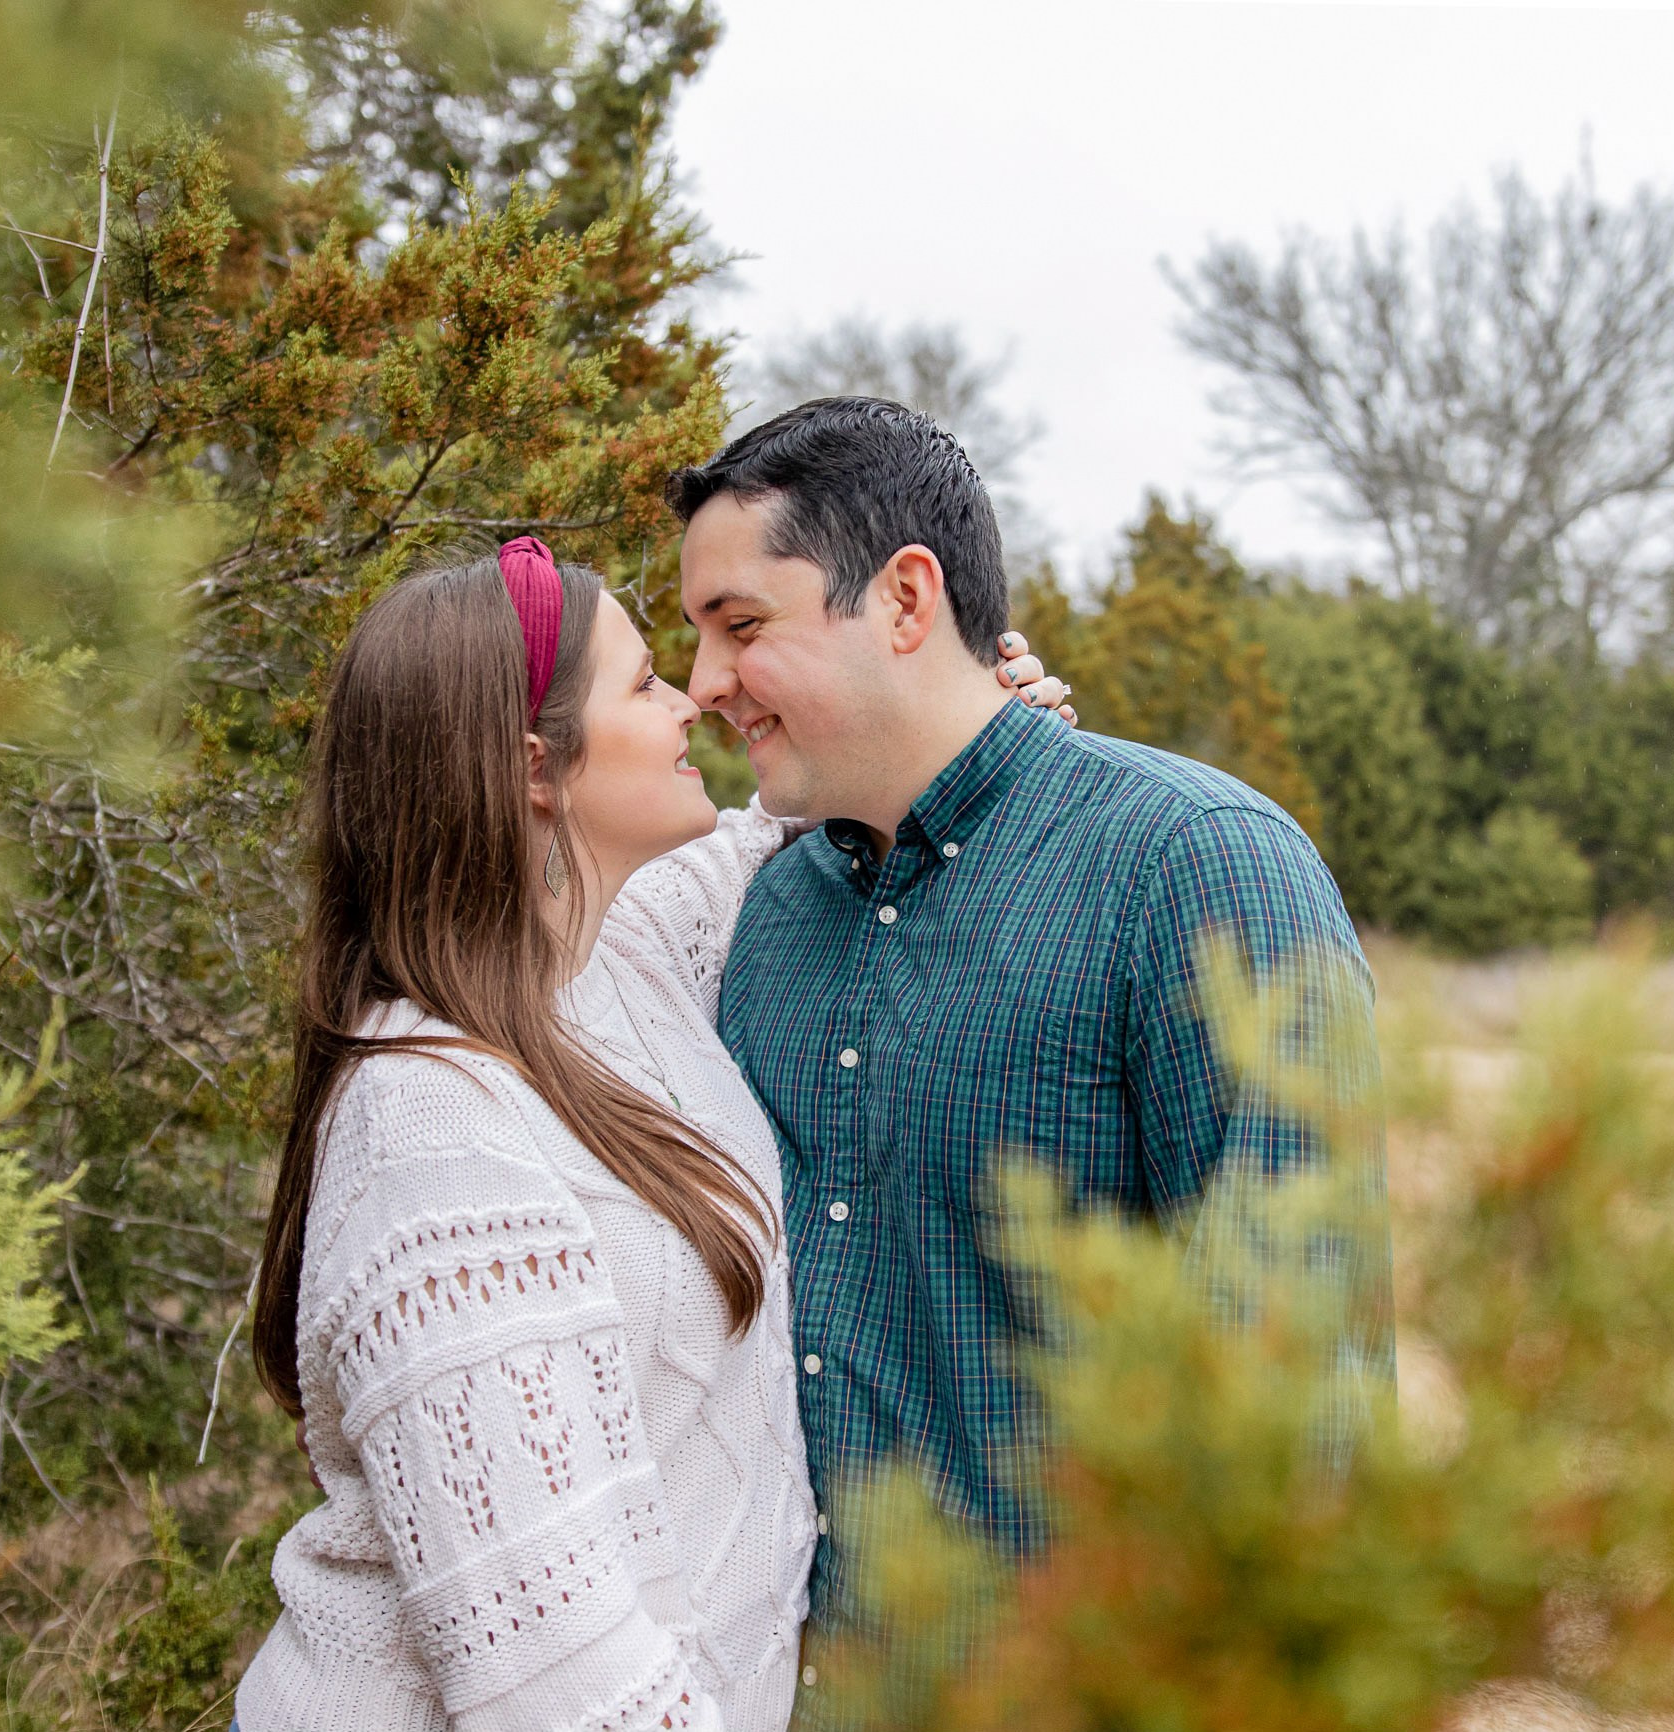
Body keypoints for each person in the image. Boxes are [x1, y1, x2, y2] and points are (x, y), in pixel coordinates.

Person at [232, 538, 1073, 1732]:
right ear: (534, 765)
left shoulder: (613, 963)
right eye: (642, 685)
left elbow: (769, 834)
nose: (692, 697)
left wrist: (952, 722)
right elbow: (558, 1681)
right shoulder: (434, 1132)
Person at [667, 397, 1392, 1631]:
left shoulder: (1198, 869)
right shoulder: (760, 916)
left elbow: (1292, 1410)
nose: (704, 683)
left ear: (905, 600)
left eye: (740, 627)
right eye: (694, 637)